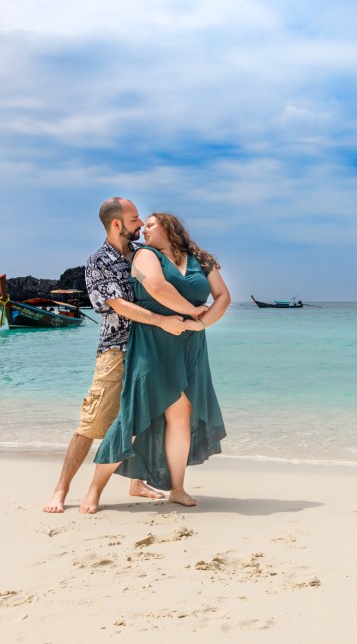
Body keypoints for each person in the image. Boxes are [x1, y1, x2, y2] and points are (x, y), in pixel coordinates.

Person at [43, 198, 208, 514]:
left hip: (154, 350)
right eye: (134, 219)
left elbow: (163, 288)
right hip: (117, 350)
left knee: (146, 420)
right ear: (116, 224)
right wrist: (163, 320)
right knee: (93, 423)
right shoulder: (99, 261)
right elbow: (117, 304)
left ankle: (136, 482)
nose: (140, 223)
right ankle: (61, 489)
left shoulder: (145, 255)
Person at [79, 212, 231, 512]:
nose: (144, 230)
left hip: (191, 343)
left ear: (169, 227)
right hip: (152, 338)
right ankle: (94, 491)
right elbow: (157, 289)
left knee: (181, 415)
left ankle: (177, 488)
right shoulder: (145, 256)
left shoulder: (201, 259)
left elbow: (223, 296)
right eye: (142, 224)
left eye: (149, 225)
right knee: (135, 415)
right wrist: (194, 312)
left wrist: (201, 324)